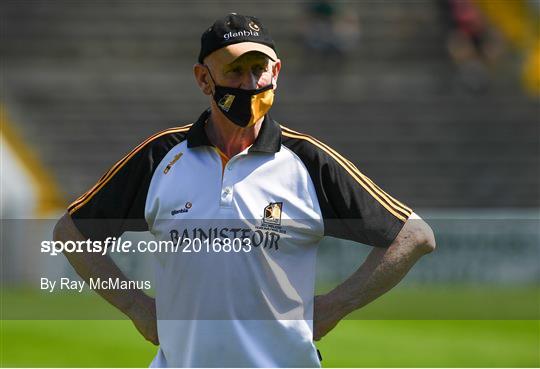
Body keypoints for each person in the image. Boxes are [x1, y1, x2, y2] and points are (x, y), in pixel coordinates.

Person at [53, 13, 435, 368]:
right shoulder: (161, 157)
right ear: (204, 79)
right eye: (235, 71)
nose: (251, 83)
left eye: (259, 69)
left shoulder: (306, 160)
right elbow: (71, 233)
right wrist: (135, 306)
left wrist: (335, 306)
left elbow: (413, 235)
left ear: (276, 72)